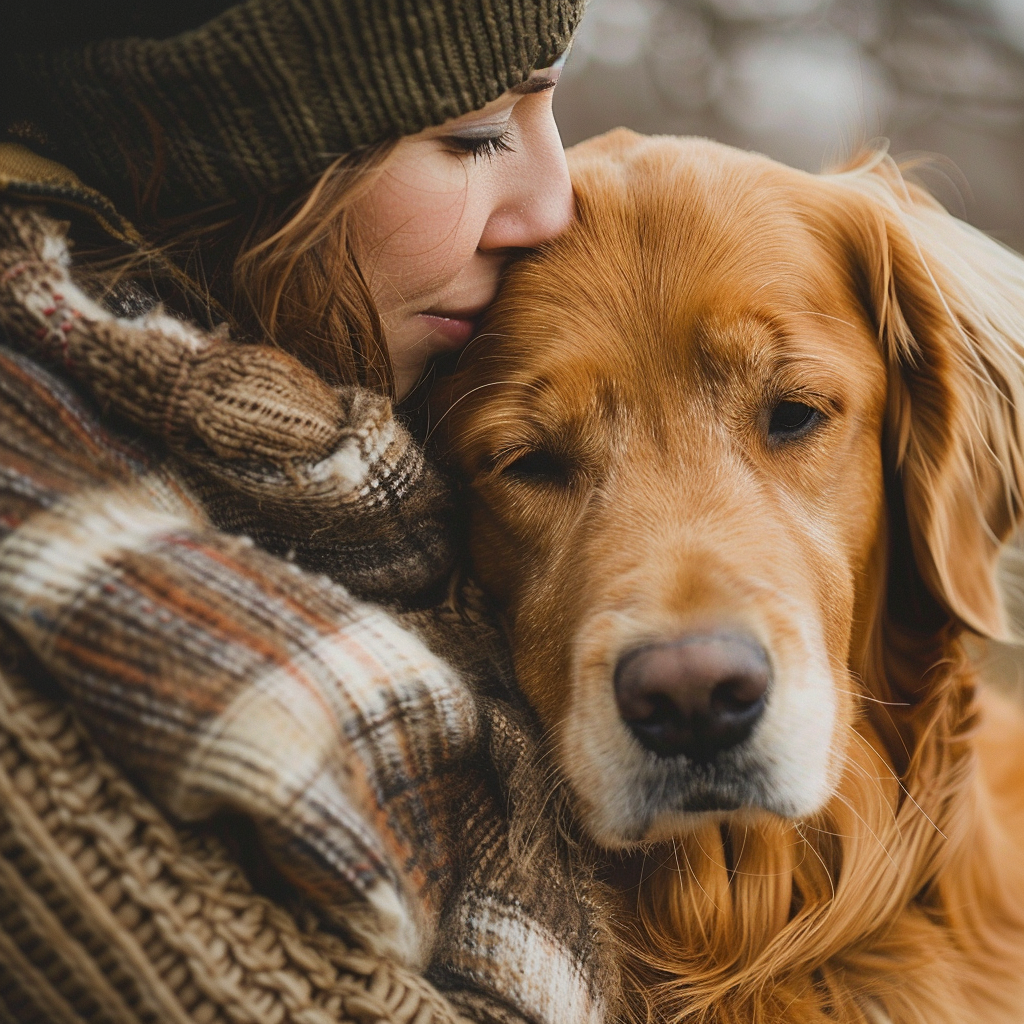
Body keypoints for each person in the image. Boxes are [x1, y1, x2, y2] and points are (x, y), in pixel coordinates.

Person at [0, 4, 618, 1023]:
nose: (552, 202)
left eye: (550, 102)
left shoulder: (381, 483)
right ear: (222, 148)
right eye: (472, 136)